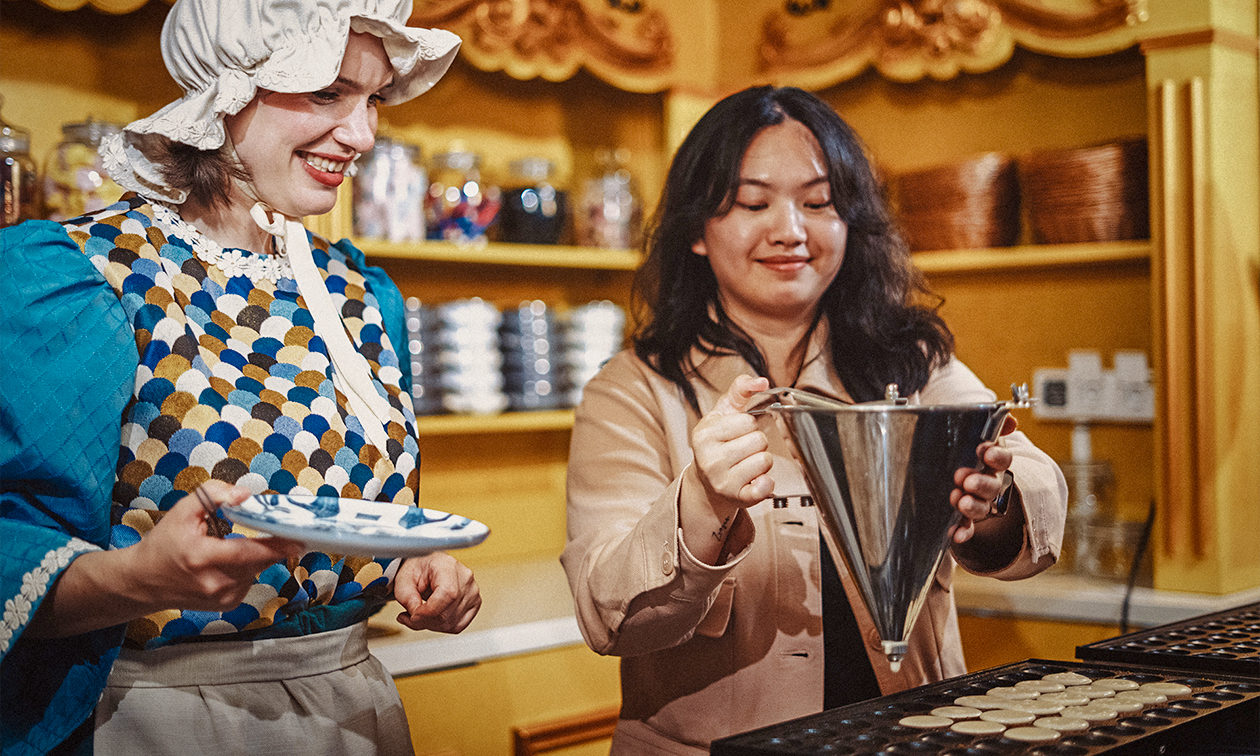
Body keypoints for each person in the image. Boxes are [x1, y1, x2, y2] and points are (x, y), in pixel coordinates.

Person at [0, 2, 481, 754]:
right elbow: (13, 547)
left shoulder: (359, 293)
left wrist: (408, 566)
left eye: (374, 100)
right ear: (228, 89)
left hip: (352, 709)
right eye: (327, 93)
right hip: (163, 722)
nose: (362, 134)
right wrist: (139, 578)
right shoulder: (86, 279)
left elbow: (347, 515)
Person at [560, 85, 1069, 754]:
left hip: (910, 738)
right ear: (696, 231)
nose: (791, 231)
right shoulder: (633, 391)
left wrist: (992, 500)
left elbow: (1030, 478)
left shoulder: (909, 361)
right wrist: (703, 502)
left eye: (819, 202)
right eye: (753, 203)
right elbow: (608, 613)